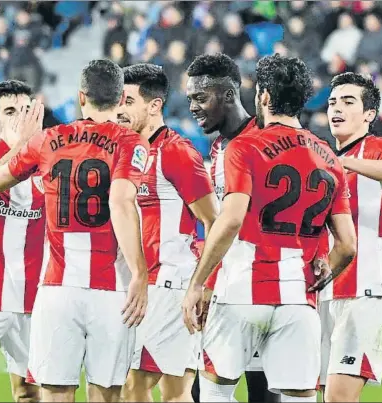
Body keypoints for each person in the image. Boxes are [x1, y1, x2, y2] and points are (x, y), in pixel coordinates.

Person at [182, 54, 357, 403]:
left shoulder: (245, 146)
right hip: (298, 299)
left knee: (213, 394)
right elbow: (348, 245)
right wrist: (320, 269)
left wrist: (198, 282)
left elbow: (230, 220)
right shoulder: (329, 157)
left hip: (241, 290)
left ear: (262, 96)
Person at [0, 59, 150, 403]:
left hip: (57, 289)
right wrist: (140, 272)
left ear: (81, 97)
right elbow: (121, 203)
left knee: (55, 394)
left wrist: (22, 143)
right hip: (111, 291)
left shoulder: (48, 139)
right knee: (106, 395)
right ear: (122, 99)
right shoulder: (131, 142)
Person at [116, 63, 217, 402]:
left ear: (155, 105)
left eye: (129, 101)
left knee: (135, 386)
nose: (120, 109)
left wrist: (203, 284)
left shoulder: (176, 151)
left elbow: (213, 221)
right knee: (174, 391)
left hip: (169, 285)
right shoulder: (124, 151)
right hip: (139, 284)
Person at [185, 53, 280, 403]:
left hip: (268, 290)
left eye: (200, 97)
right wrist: (210, 283)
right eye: (190, 97)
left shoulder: (267, 140)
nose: (193, 107)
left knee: (264, 395)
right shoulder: (219, 149)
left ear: (227, 95)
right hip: (231, 288)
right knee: (203, 391)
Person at [320, 72, 382, 403]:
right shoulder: (320, 154)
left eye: (349, 102)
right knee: (312, 394)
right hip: (324, 290)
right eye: (333, 102)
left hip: (367, 290)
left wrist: (342, 162)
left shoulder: (379, 148)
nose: (337, 108)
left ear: (369, 114)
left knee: (339, 398)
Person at [0, 80, 44, 402]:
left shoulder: (53, 166)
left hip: (34, 299)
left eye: (26, 111)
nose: (19, 118)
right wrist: (13, 146)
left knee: (29, 391)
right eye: (10, 112)